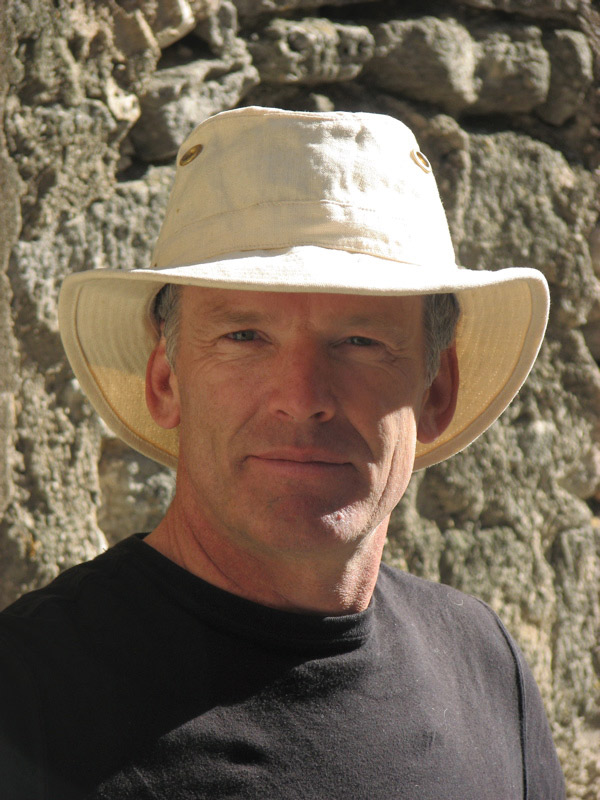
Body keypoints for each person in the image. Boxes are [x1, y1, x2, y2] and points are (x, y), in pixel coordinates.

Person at [0, 106, 564, 799]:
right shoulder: (24, 696)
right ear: (166, 381)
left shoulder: (482, 664)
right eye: (244, 337)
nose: (302, 397)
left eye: (358, 341)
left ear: (436, 390)